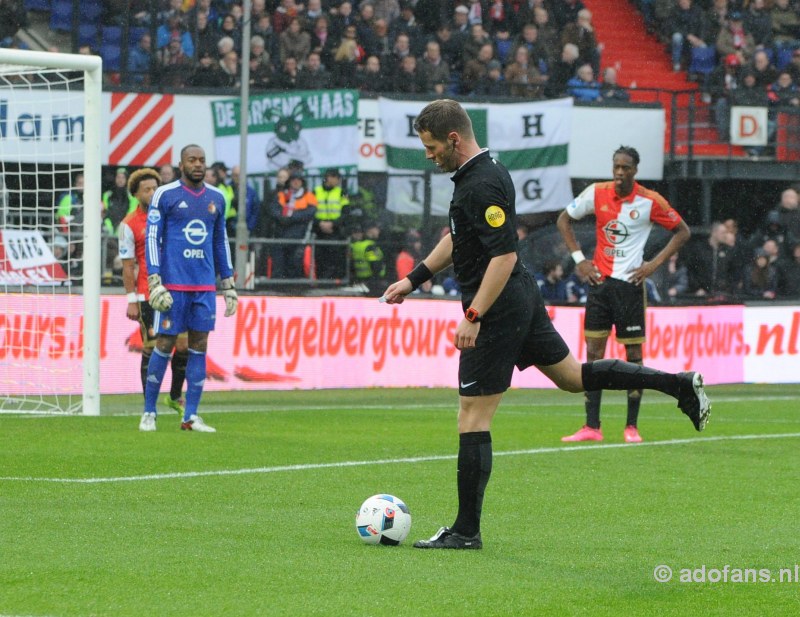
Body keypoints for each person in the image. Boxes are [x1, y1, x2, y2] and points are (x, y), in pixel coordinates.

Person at [380, 100, 710, 550]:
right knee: (575, 378)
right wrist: (413, 279)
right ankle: (678, 385)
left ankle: (465, 531)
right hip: (518, 299)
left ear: (454, 139)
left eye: (432, 146)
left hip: (498, 307)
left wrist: (473, 315)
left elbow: (503, 256)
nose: (429, 154)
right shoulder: (481, 173)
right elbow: (459, 240)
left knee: (472, 416)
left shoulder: (482, 183)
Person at [557, 146, 692, 444]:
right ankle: (592, 426)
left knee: (633, 356)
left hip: (629, 286)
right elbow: (563, 219)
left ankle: (632, 426)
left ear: (635, 170)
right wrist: (579, 259)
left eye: (625, 168)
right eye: (616, 167)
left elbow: (683, 231)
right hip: (599, 284)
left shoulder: (649, 200)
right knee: (593, 356)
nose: (619, 172)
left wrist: (653, 265)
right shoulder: (597, 192)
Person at [140, 144, 238, 432]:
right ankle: (149, 413)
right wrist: (154, 278)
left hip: (204, 286)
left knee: (198, 347)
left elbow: (220, 241)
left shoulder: (217, 198)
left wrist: (228, 282)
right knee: (165, 344)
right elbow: (152, 237)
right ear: (181, 165)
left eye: (202, 160)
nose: (198, 164)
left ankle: (191, 416)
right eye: (192, 160)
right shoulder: (165, 194)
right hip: (173, 286)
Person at [118, 168, 189, 418]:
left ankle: (174, 395)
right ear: (136, 194)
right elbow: (128, 266)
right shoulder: (128, 225)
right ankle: (149, 405)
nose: (151, 193)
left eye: (155, 188)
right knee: (153, 348)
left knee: (183, 345)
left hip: (177, 290)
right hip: (148, 295)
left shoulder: (171, 217)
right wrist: (131, 300)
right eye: (146, 189)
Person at [313, 168, 350, 280]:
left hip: (335, 231)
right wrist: (320, 223)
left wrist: (333, 224)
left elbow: (346, 211)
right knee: (320, 257)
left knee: (334, 257)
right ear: (328, 178)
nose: (337, 180)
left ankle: (333, 280)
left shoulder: (342, 192)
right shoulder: (316, 191)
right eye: (335, 177)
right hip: (319, 231)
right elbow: (311, 210)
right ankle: (321, 280)